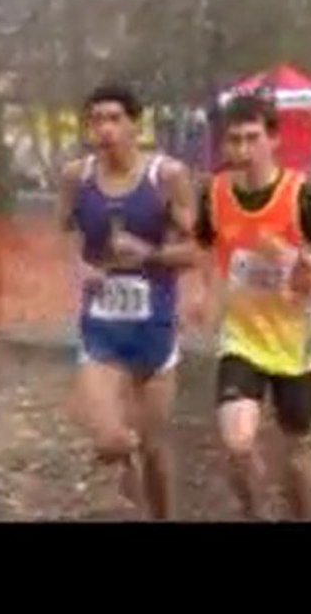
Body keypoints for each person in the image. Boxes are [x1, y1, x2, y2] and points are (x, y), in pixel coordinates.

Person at [191, 92, 311, 521]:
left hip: (293, 343)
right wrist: (205, 292)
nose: (242, 151)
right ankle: (257, 513)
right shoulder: (215, 194)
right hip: (241, 337)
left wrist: (303, 260)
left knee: (294, 455)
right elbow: (206, 247)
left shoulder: (303, 197)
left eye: (252, 139)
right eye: (233, 141)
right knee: (238, 444)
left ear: (274, 140)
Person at [57, 84, 199, 520]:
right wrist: (80, 268)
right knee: (111, 440)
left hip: (154, 325)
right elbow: (65, 237)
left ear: (136, 125)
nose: (104, 129)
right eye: (96, 120)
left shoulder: (166, 176)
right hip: (101, 328)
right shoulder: (76, 177)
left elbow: (196, 251)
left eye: (115, 119)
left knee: (154, 449)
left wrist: (150, 253)